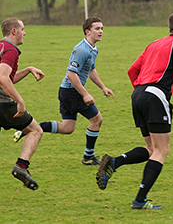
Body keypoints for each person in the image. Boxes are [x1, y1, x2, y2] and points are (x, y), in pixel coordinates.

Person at [96, 11, 173, 210]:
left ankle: (114, 163)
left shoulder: (154, 44)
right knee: (161, 150)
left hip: (138, 94)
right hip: (154, 96)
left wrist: (141, 94)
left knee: (150, 149)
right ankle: (140, 200)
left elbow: (132, 70)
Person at [15, 17, 114, 165]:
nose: (101, 32)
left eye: (102, 29)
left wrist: (103, 87)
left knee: (67, 128)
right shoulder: (82, 49)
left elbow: (91, 70)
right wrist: (85, 94)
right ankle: (88, 157)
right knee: (97, 119)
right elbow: (71, 74)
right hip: (72, 92)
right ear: (87, 31)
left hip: (67, 91)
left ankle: (30, 128)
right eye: (97, 29)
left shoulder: (93, 48)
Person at [0, 17, 58, 190]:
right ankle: (21, 167)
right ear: (14, 31)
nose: (24, 33)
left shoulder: (1, 47)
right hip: (2, 103)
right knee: (35, 130)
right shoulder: (11, 49)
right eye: (22, 29)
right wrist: (19, 100)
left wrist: (27, 69)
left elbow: (7, 78)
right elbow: (3, 78)